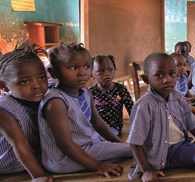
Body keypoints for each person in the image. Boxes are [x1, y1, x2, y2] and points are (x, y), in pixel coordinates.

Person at [126, 52, 195, 181]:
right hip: (155, 153)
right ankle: (159, 164)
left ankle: (168, 162)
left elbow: (193, 126)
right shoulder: (144, 105)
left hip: (179, 147)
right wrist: (146, 171)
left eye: (172, 74)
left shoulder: (178, 98)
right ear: (146, 79)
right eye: (159, 75)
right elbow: (135, 142)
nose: (167, 79)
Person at [39, 42, 132, 177]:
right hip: (63, 159)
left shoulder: (85, 91)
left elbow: (98, 123)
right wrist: (98, 166)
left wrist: (119, 144)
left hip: (86, 146)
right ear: (54, 73)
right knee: (138, 149)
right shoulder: (56, 102)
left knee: (129, 148)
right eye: (73, 67)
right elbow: (65, 144)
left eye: (87, 66)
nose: (82, 72)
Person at [0, 42, 53, 181]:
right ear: (3, 86)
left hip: (37, 158)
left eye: (42, 78)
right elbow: (19, 144)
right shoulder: (5, 108)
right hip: (9, 164)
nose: (37, 85)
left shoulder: (48, 98)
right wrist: (38, 176)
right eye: (24, 82)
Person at [90, 55, 134, 136]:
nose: (106, 74)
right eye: (101, 71)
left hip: (114, 128)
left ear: (115, 70)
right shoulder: (91, 92)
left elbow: (132, 109)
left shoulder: (121, 89)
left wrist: (137, 128)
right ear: (92, 74)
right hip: (95, 129)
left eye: (110, 70)